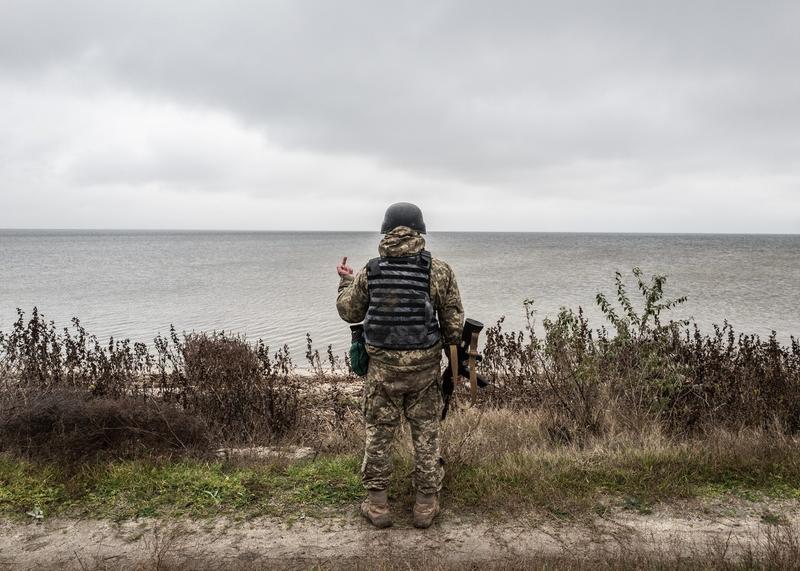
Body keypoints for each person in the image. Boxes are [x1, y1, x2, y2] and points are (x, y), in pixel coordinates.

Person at [335, 202, 464, 529]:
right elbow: (453, 325)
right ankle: (424, 506)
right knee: (426, 435)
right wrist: (456, 364)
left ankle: (378, 507)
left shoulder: (371, 269)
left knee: (379, 435)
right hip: (424, 370)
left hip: (381, 372)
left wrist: (344, 282)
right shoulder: (440, 270)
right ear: (419, 231)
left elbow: (350, 312)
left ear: (386, 231)